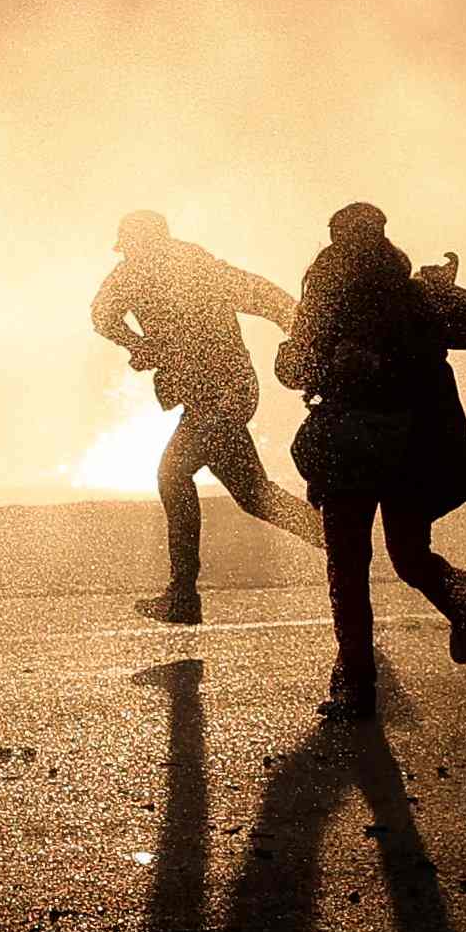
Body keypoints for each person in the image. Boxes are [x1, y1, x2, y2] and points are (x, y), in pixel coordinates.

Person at [275, 201, 466, 720]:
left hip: (401, 448)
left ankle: (453, 593)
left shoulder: (413, 298)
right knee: (351, 568)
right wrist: (329, 362)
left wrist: (442, 293)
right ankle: (357, 684)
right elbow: (292, 366)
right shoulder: (335, 294)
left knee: (400, 558)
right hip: (353, 448)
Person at [88, 209, 323, 622]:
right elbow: (102, 316)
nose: (129, 257)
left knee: (173, 474)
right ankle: (335, 539)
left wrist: (306, 335)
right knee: (254, 495)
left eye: (133, 249)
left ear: (144, 244)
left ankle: (183, 595)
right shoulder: (146, 273)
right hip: (212, 394)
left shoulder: (192, 269)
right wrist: (141, 344)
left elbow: (267, 298)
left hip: (224, 393)